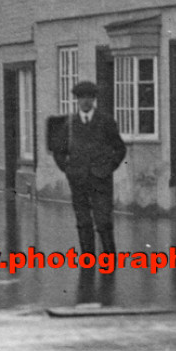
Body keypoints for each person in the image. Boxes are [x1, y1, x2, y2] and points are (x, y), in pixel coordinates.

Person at [49, 80, 126, 255]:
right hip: (78, 180)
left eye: (89, 97)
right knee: (83, 221)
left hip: (101, 180)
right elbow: (58, 152)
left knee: (103, 221)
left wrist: (108, 167)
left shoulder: (106, 122)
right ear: (77, 100)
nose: (85, 101)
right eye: (82, 97)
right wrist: (68, 170)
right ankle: (87, 261)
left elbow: (120, 148)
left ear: (94, 99)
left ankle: (109, 263)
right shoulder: (69, 124)